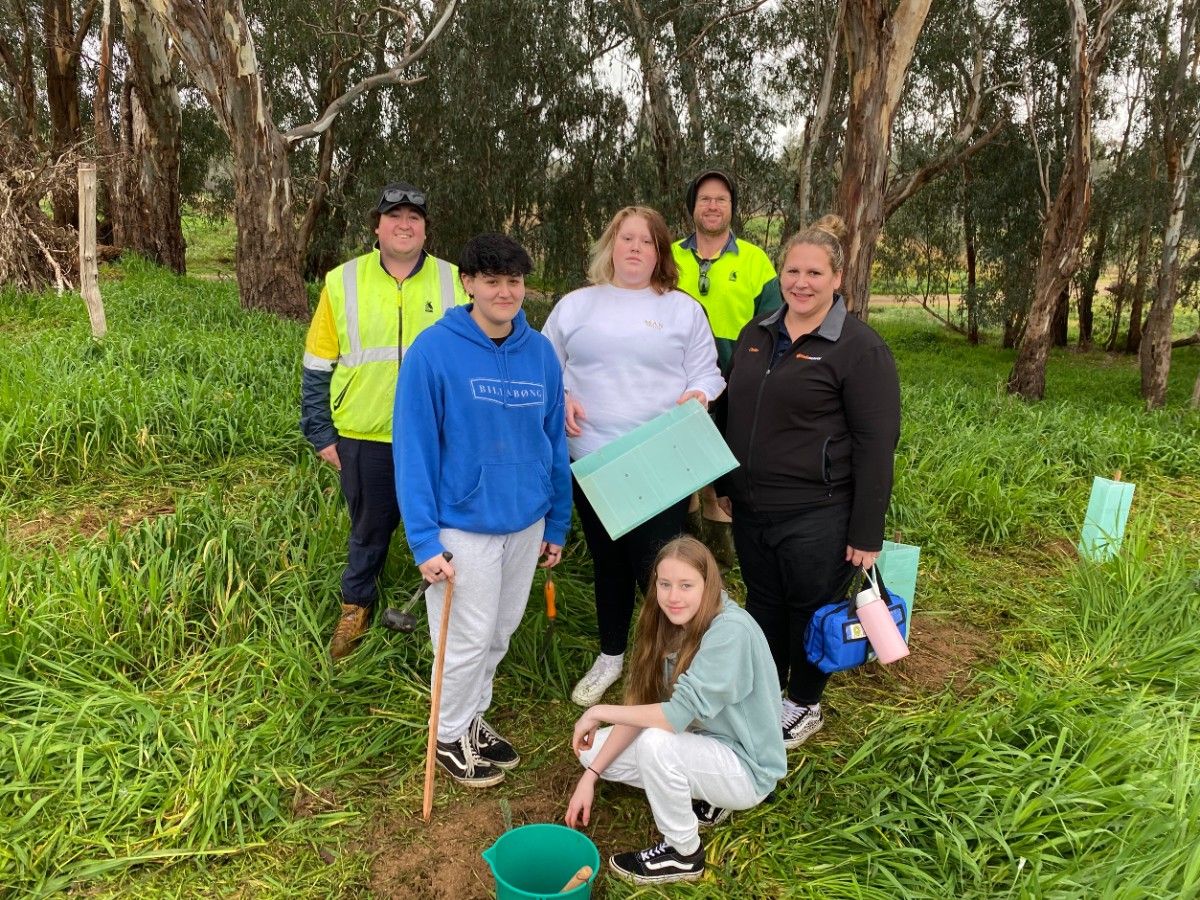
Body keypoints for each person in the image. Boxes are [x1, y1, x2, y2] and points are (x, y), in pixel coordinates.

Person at [715, 214, 901, 749]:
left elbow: (875, 444)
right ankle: (770, 689)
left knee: (810, 608)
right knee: (764, 601)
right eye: (792, 270)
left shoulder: (859, 350)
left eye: (815, 273)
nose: (802, 282)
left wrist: (866, 531)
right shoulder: (758, 334)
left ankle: (805, 702)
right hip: (752, 506)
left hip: (818, 510)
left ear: (837, 279)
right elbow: (733, 411)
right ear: (780, 274)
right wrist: (727, 483)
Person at [395, 233, 572, 787]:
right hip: (462, 524)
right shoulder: (433, 351)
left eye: (514, 281)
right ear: (468, 284)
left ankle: (471, 718)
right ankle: (446, 734)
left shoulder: (539, 352)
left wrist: (557, 521)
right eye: (492, 281)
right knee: (464, 639)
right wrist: (424, 540)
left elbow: (553, 442)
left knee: (499, 631)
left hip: (526, 521)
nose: (505, 292)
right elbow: (414, 448)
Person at [541, 206, 725, 707]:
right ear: (611, 245)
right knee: (609, 562)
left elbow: (707, 373)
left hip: (658, 458)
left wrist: (699, 396)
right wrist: (561, 395)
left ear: (661, 252)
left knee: (662, 564)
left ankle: (672, 660)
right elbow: (542, 367)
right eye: (627, 239)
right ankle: (611, 656)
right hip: (592, 457)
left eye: (647, 241)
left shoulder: (681, 309)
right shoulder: (576, 306)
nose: (636, 249)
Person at [301, 182, 469, 661]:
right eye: (394, 216)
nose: (404, 224)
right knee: (369, 531)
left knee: (444, 531)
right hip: (363, 434)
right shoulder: (343, 281)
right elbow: (317, 364)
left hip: (439, 437)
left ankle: (445, 616)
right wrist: (320, 431)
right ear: (376, 226)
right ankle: (356, 607)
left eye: (414, 217)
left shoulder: (455, 281)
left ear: (425, 228)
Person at [564, 536, 786, 885]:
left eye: (686, 585)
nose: (673, 596)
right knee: (590, 751)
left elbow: (671, 717)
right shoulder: (665, 622)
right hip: (700, 740)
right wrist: (590, 776)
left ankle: (683, 853)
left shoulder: (730, 631)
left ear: (709, 585)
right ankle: (705, 794)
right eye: (665, 584)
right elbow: (640, 704)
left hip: (745, 766)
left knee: (656, 743)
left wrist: (599, 711)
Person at [671, 170, 779, 566]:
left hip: (737, 383)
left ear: (732, 207)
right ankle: (684, 551)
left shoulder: (754, 260)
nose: (713, 206)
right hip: (676, 383)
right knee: (681, 467)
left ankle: (722, 558)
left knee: (723, 466)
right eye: (705, 199)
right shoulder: (669, 256)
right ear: (692, 208)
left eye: (721, 199)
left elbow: (773, 324)